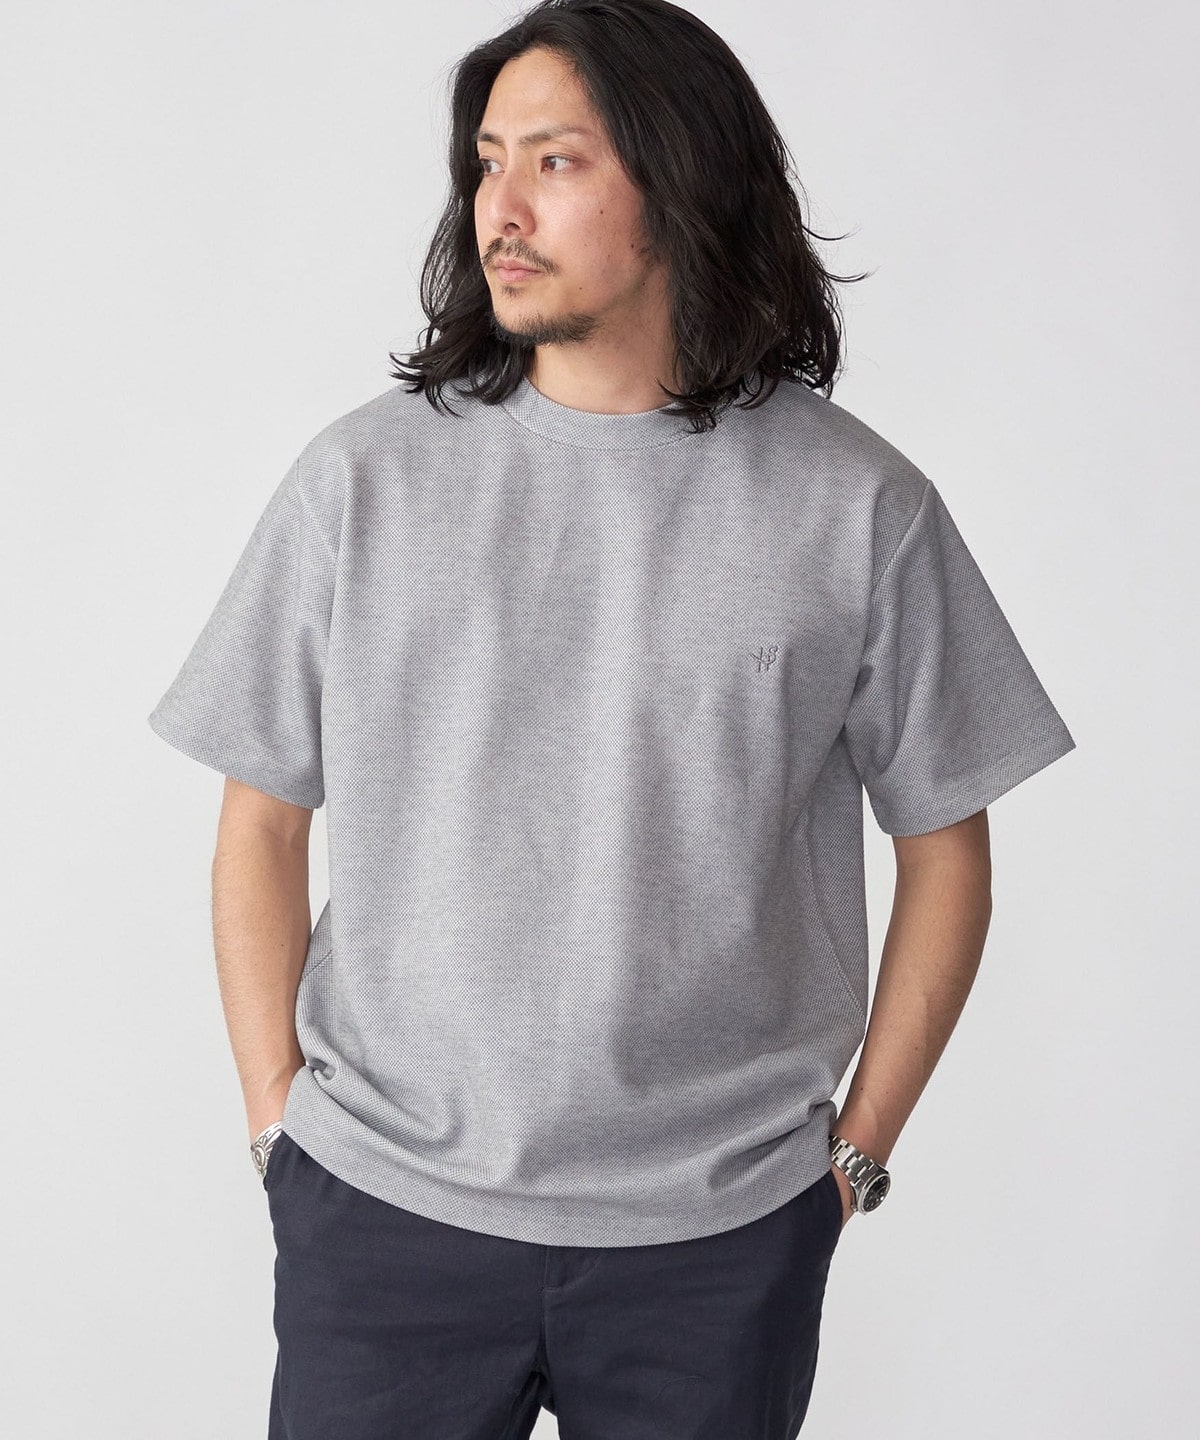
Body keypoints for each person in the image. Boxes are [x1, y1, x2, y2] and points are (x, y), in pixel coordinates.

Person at [147, 2, 1076, 1436]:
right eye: (487, 162)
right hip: (384, 1214)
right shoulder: (360, 484)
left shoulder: (859, 508)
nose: (501, 208)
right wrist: (281, 1127)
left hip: (717, 1241)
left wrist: (852, 1160)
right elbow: (260, 823)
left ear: (680, 177)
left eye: (557, 161)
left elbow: (949, 848)